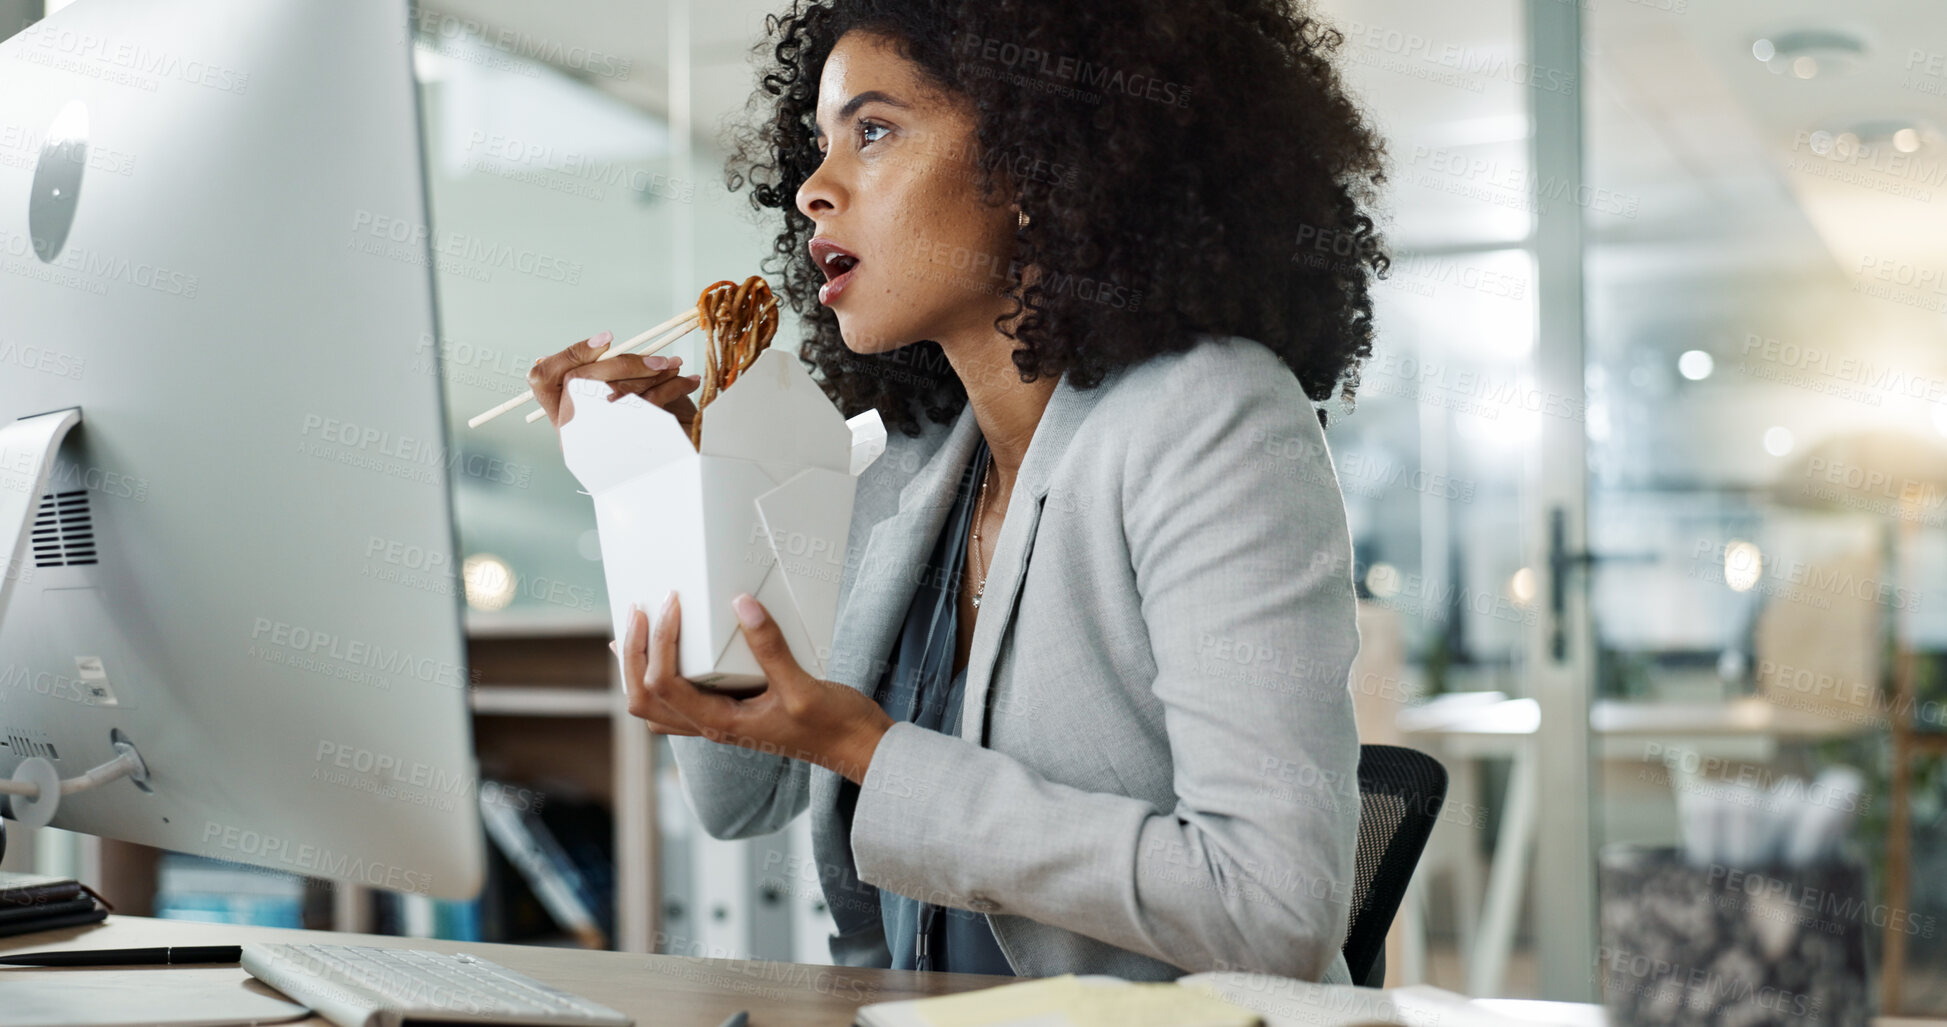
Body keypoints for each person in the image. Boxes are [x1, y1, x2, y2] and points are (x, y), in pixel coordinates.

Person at [527, 0, 1389, 984]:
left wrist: (873, 752)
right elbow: (738, 786)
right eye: (818, 144)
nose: (813, 188)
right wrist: (657, 478)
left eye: (876, 131)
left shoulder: (1213, 418)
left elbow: (1272, 910)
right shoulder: (911, 467)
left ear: (1041, 157)